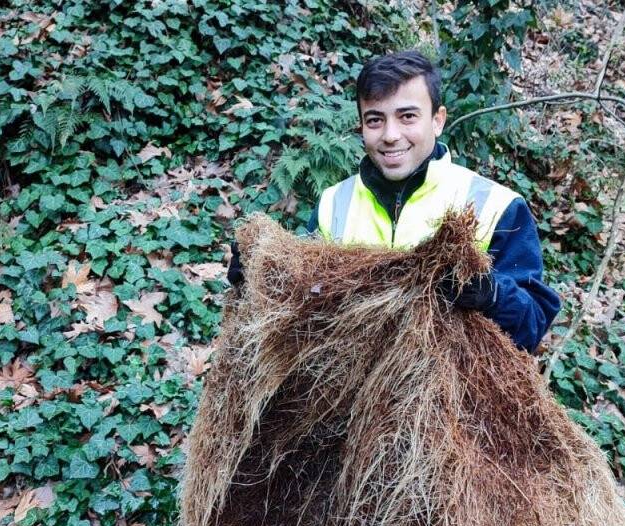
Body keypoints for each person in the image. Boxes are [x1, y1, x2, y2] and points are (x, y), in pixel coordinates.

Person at [229, 50, 560, 353]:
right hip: (344, 406)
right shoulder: (334, 203)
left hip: (452, 409)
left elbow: (532, 326)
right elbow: (299, 310)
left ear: (437, 119)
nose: (390, 135)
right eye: (375, 119)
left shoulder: (496, 205)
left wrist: (493, 295)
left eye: (407, 116)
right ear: (362, 126)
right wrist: (259, 275)